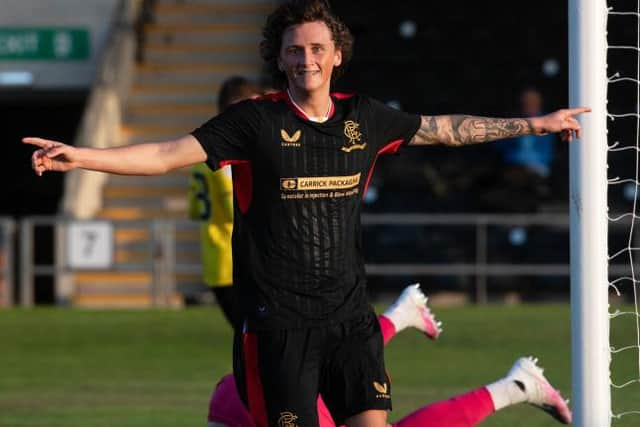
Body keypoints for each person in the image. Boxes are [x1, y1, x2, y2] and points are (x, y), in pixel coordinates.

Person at [24, 1, 588, 425]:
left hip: (351, 322)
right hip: (278, 330)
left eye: (317, 48)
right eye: (295, 49)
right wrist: (82, 158)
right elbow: (167, 154)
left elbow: (444, 129)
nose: (306, 59)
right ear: (280, 58)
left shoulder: (364, 119)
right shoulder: (253, 122)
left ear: (337, 56)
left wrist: (535, 125)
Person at [206, 284, 570, 427]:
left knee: (330, 354)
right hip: (261, 394)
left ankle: (516, 386)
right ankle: (516, 387)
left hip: (243, 394)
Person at [187, 76, 262, 327]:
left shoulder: (202, 157)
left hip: (215, 260)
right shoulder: (230, 156)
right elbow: (240, 207)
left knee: (252, 343)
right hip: (240, 261)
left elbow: (196, 209)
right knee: (258, 345)